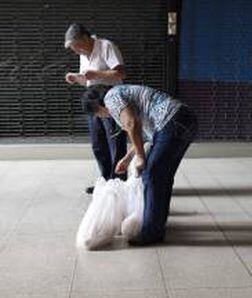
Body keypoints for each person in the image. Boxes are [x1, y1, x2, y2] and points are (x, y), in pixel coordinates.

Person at [81, 84, 198, 245]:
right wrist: (128, 158)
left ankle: (151, 232)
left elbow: (131, 124)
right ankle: (156, 226)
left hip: (172, 121)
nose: (101, 117)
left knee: (152, 175)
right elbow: (143, 134)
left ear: (96, 104)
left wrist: (141, 157)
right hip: (184, 120)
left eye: (97, 113)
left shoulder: (111, 98)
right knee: (162, 176)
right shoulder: (122, 94)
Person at [64, 23, 127, 194]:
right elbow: (89, 80)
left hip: (111, 96)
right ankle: (106, 180)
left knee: (115, 141)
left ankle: (119, 183)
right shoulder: (83, 54)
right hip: (93, 98)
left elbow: (121, 73)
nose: (75, 51)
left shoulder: (106, 46)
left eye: (76, 46)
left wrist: (97, 74)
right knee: (98, 143)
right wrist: (76, 78)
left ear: (85, 38)